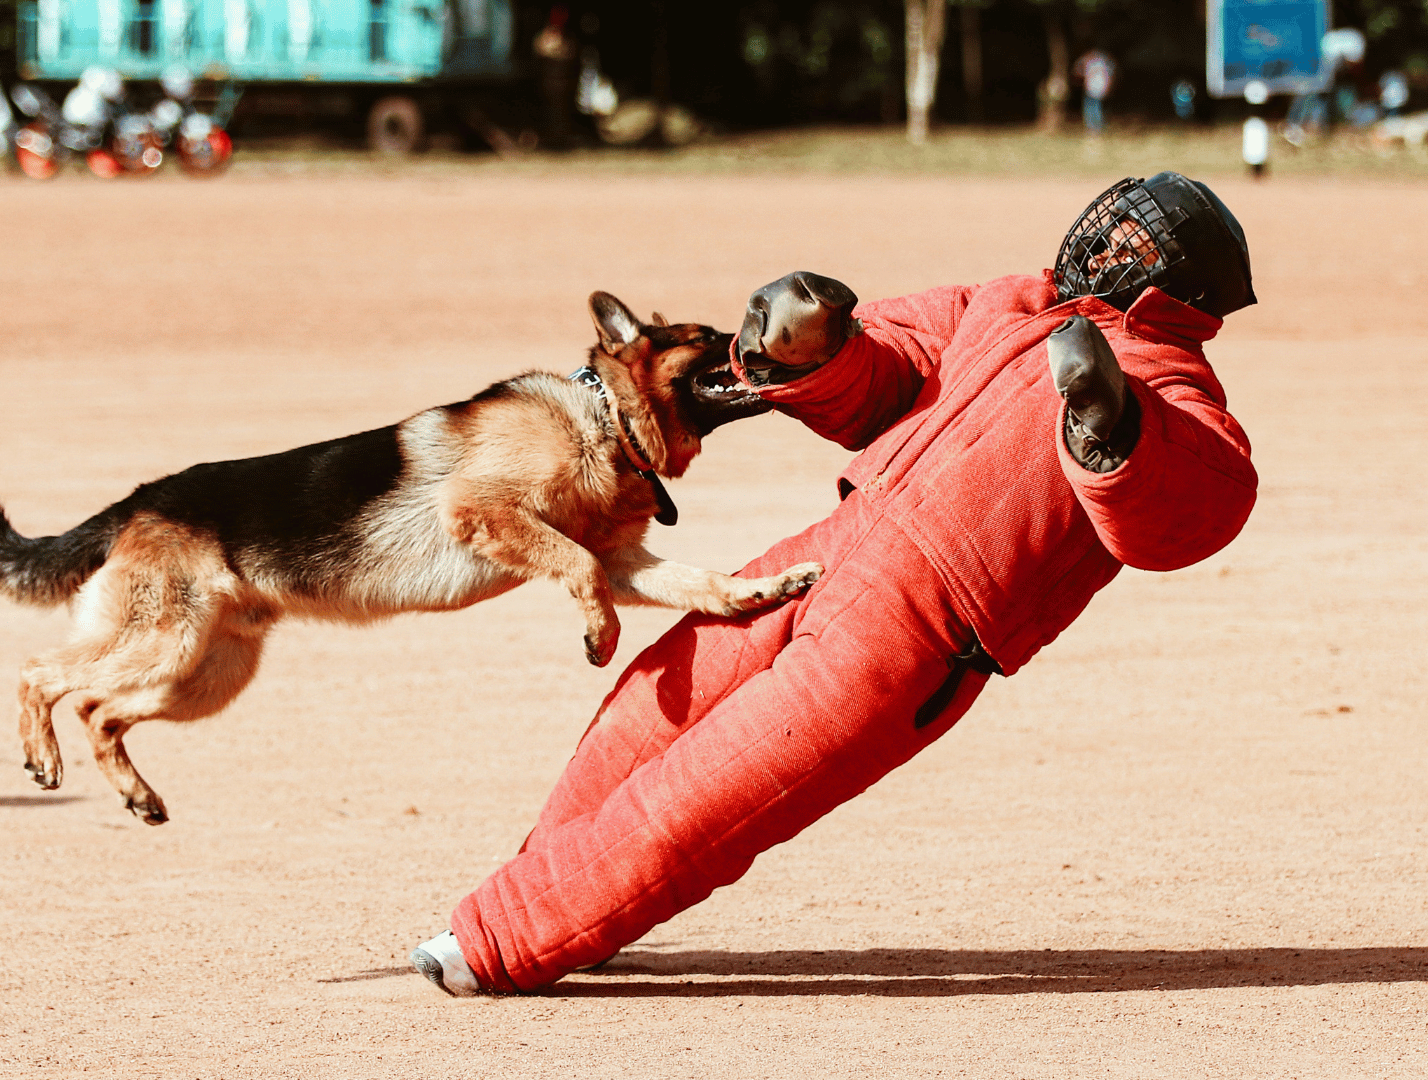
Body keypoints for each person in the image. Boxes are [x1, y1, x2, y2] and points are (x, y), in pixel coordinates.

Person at [411, 172, 1261, 996]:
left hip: (921, 633)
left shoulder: (1174, 386)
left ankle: (498, 942)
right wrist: (814, 347)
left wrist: (1115, 427)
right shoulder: (1014, 300)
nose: (1104, 237)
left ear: (1177, 286)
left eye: (1136, 237)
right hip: (831, 548)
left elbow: (1200, 503)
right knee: (646, 707)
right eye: (1115, 216)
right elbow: (896, 364)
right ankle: (561, 904)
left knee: (708, 793)